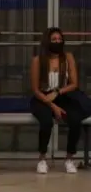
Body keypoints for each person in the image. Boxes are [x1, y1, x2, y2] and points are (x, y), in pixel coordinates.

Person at [30, 27, 88, 174]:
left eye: (60, 39)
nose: (58, 42)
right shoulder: (38, 60)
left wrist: (57, 92)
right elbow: (36, 89)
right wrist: (52, 106)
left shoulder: (68, 57)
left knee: (75, 120)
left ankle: (69, 158)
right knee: (46, 122)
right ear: (47, 41)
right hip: (43, 98)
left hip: (62, 95)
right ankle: (42, 158)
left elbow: (74, 83)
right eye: (54, 39)